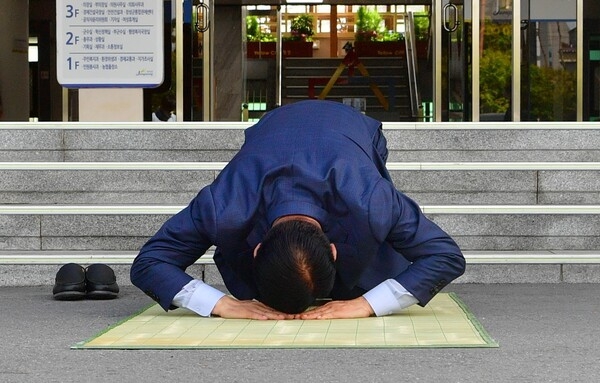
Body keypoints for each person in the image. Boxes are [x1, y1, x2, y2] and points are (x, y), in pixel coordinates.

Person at [131, 100, 465, 320]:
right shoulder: (226, 204)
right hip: (274, 126)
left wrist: (366, 304)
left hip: (352, 129)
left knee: (375, 242)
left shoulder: (372, 198)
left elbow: (446, 256)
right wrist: (220, 303)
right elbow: (149, 263)